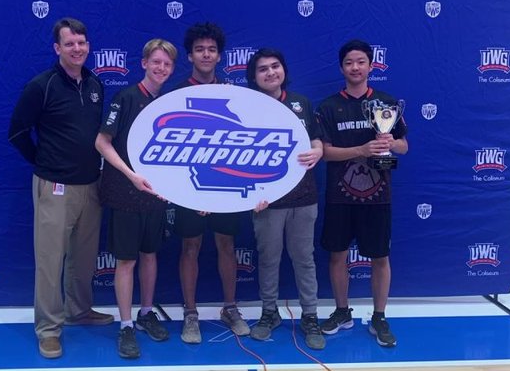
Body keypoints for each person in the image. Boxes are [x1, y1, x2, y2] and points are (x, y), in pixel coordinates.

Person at [8, 17, 114, 359]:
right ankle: (48, 329)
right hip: (54, 186)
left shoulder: (96, 84)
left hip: (91, 185)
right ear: (57, 48)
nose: (77, 48)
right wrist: (45, 162)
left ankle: (78, 311)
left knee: (84, 258)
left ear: (89, 46)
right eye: (69, 43)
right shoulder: (42, 86)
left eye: (81, 43)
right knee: (50, 262)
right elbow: (16, 132)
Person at [315, 39, 408, 348]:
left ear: (371, 65)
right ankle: (342, 312)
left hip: (377, 197)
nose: (355, 67)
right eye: (349, 63)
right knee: (337, 256)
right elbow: (325, 153)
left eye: (360, 62)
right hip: (339, 197)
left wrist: (390, 143)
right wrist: (362, 150)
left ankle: (379, 316)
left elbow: (404, 146)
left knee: (380, 257)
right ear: (342, 68)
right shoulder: (328, 107)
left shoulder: (386, 103)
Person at [95, 39, 177, 359]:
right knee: (126, 260)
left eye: (167, 64)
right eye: (155, 62)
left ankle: (145, 313)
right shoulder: (126, 97)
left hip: (155, 195)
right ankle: (126, 325)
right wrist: (130, 175)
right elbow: (102, 142)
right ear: (144, 63)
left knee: (150, 255)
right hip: (125, 192)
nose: (161, 68)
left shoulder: (169, 102)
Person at [173, 22, 250, 344]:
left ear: (219, 56)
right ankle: (190, 314)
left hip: (225, 184)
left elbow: (245, 140)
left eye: (212, 50)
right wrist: (190, 192)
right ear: (190, 55)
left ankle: (230, 308)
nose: (206, 55)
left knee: (226, 244)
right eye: (199, 49)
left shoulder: (233, 93)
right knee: (189, 246)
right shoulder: (176, 94)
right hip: (190, 185)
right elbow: (170, 147)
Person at [245, 48, 326, 350]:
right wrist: (252, 192)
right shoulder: (247, 108)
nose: (270, 72)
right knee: (268, 259)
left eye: (275, 66)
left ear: (283, 70)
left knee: (304, 259)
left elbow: (316, 139)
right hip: (267, 201)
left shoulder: (301, 103)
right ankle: (270, 312)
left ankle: (310, 316)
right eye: (263, 69)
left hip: (304, 197)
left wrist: (318, 151)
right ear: (254, 77)